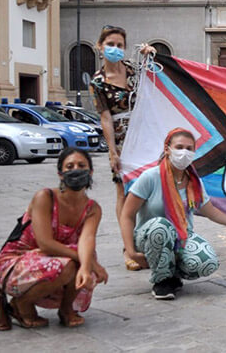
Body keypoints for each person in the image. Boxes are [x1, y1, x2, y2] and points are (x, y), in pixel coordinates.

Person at [120, 128, 226, 300]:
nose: (184, 152)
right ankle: (162, 281)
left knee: (207, 262)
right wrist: (130, 252)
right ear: (167, 149)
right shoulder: (150, 177)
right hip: (149, 235)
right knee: (162, 226)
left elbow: (211, 211)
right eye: (179, 147)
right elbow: (127, 214)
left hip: (181, 235)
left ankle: (173, 274)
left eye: (189, 148)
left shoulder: (193, 180)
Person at [0, 148, 107, 330]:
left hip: (52, 258)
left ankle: (66, 310)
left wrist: (87, 266)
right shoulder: (45, 197)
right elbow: (45, 244)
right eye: (70, 166)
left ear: (90, 171)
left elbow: (87, 239)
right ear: (61, 174)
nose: (75, 169)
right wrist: (87, 262)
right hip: (16, 261)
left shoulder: (92, 208)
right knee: (71, 263)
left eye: (81, 165)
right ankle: (21, 304)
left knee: (85, 258)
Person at [89, 25, 152, 271]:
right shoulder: (98, 82)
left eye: (120, 45)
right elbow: (105, 117)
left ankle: (149, 240)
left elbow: (157, 75)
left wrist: (150, 53)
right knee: (124, 193)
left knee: (149, 188)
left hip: (145, 136)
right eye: (111, 44)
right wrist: (112, 151)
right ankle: (129, 248)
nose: (115, 49)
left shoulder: (133, 69)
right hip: (122, 138)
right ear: (100, 46)